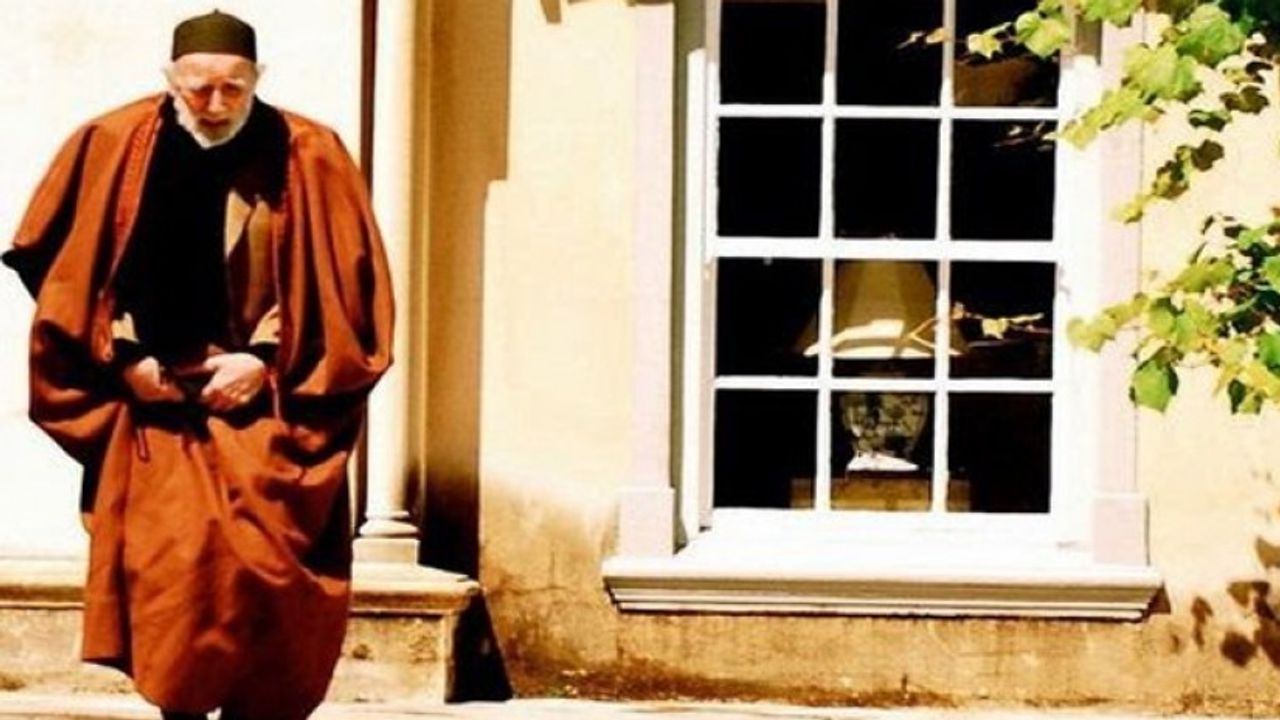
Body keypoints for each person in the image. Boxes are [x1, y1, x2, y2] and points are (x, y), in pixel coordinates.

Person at [3, 10, 393, 720]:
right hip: (158, 413)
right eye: (198, 87)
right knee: (173, 578)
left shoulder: (309, 153)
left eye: (232, 88)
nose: (215, 104)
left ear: (258, 80)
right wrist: (123, 356)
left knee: (267, 579)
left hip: (263, 407)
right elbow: (66, 267)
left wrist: (264, 360)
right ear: (170, 79)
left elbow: (347, 291)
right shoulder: (113, 143)